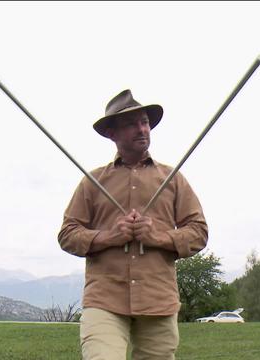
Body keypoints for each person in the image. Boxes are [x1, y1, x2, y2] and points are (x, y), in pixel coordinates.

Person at [58, 89, 208, 359]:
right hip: (104, 300)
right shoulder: (92, 182)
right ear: (112, 133)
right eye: (131, 124)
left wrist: (158, 236)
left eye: (145, 122)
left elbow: (199, 232)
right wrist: (109, 236)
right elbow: (68, 234)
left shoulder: (173, 179)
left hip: (159, 301)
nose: (142, 129)